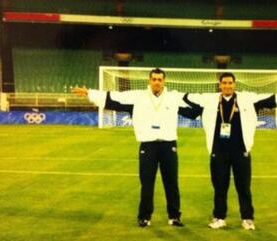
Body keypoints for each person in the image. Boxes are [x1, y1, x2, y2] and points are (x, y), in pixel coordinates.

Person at [72, 68, 192, 228]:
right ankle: (144, 217)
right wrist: (90, 93)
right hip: (147, 145)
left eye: (160, 79)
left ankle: (174, 216)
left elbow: (197, 104)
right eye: (154, 79)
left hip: (168, 145)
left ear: (164, 81)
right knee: (147, 183)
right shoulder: (137, 97)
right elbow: (113, 98)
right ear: (149, 81)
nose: (157, 82)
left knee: (171, 183)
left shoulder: (173, 97)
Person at [187, 72, 277, 230]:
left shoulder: (246, 99)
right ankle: (219, 218)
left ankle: (247, 218)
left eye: (230, 83)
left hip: (240, 151)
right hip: (218, 151)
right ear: (220, 85)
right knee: (220, 187)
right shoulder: (210, 100)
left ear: (234, 84)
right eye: (225, 83)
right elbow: (188, 98)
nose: (227, 86)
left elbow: (268, 100)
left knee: (243, 187)